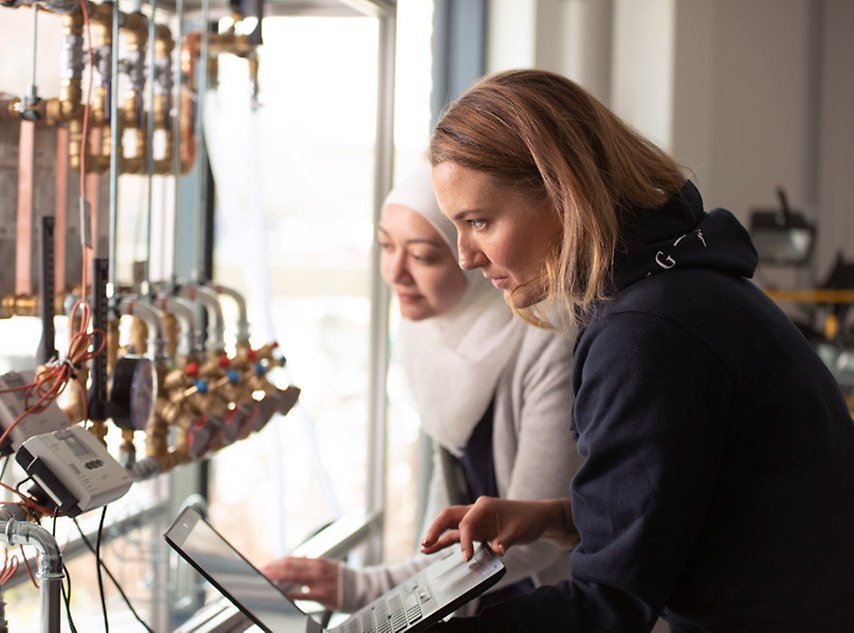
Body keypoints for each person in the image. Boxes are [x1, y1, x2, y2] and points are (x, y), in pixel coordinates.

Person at [417, 68, 854, 632]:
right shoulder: (686, 286)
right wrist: (554, 517)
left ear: (561, 192)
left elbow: (608, 607)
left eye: (478, 221)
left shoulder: (646, 333)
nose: (465, 256)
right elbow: (706, 507)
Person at [262, 161, 582, 616]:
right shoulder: (429, 331)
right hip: (476, 587)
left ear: (473, 255)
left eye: (423, 255)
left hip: (548, 599)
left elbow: (531, 542)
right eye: (385, 246)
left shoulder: (549, 340)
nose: (394, 272)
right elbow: (448, 492)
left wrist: (367, 589)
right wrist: (407, 600)